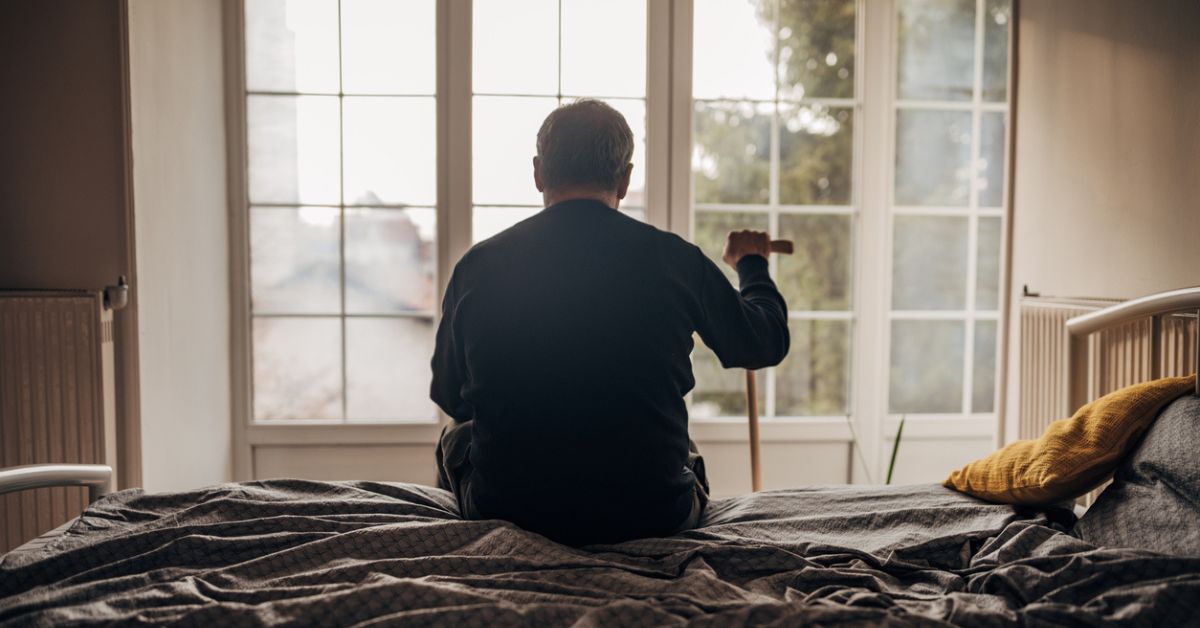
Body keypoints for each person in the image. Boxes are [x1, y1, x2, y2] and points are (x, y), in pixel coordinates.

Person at [431, 99, 789, 546]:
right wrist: (752, 264)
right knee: (683, 450)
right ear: (625, 177)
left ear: (539, 172)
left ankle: (473, 551)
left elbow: (450, 394)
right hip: (654, 512)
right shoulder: (676, 260)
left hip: (512, 509)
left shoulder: (478, 267)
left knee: (456, 434)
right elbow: (763, 342)